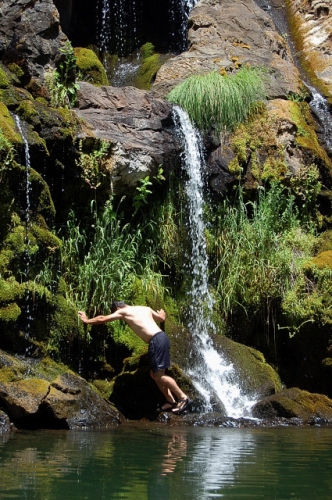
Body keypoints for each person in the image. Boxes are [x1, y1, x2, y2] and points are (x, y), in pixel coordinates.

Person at [78, 301, 191, 414]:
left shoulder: (123, 311)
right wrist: (162, 313)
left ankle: (183, 398)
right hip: (160, 339)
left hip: (157, 340)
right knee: (154, 374)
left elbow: (102, 319)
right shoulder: (145, 308)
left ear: (117, 309)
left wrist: (86, 320)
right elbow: (161, 318)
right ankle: (170, 401)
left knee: (159, 375)